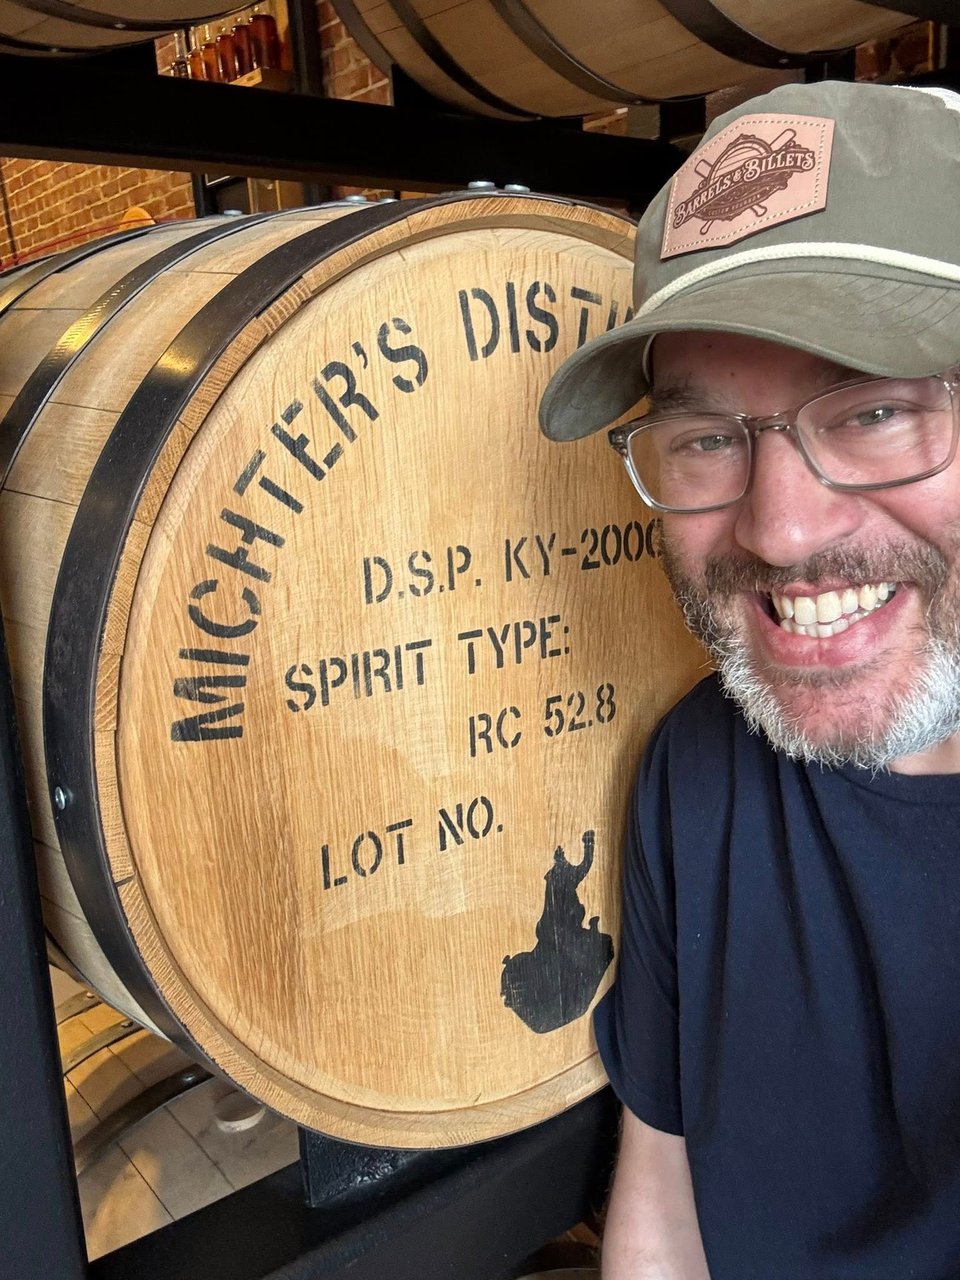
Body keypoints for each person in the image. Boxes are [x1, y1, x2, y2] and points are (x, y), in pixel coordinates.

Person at [539, 78, 960, 1279]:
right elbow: (664, 1201)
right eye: (709, 438)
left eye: (876, 408)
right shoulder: (696, 769)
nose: (777, 532)